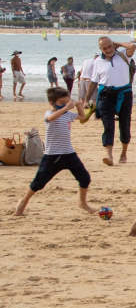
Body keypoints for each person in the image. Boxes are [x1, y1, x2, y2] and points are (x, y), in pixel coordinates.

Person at [13, 87, 98, 217]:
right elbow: (50, 119)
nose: (65, 105)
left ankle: (82, 203)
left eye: (66, 101)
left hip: (69, 153)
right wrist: (66, 108)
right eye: (61, 103)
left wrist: (79, 105)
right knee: (38, 183)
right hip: (52, 156)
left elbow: (82, 118)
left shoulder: (67, 114)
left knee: (84, 178)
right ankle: (23, 202)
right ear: (52, 103)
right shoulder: (49, 113)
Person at [83, 36, 136, 165]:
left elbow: (132, 47)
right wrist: (86, 99)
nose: (108, 49)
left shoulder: (123, 54)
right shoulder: (97, 62)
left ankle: (124, 153)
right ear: (100, 49)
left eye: (109, 46)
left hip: (124, 93)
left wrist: (118, 44)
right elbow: (93, 82)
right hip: (106, 95)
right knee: (108, 125)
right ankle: (109, 155)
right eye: (104, 48)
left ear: (113, 45)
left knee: (125, 124)